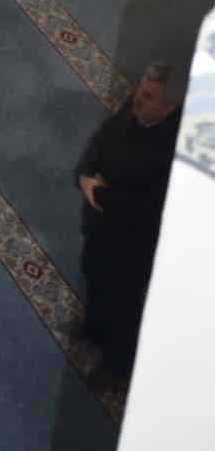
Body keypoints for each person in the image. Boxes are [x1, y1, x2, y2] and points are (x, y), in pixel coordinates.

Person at [75, 64, 180, 379]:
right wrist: (85, 174)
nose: (136, 99)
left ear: (169, 106)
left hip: (133, 246)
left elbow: (148, 208)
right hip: (101, 228)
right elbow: (102, 138)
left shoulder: (172, 152)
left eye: (148, 97)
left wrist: (99, 194)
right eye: (140, 89)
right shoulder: (136, 107)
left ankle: (114, 368)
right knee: (94, 276)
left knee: (123, 308)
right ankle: (91, 329)